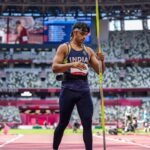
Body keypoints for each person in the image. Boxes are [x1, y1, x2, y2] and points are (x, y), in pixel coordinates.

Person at [52, 22, 105, 150]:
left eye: (86, 35)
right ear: (75, 32)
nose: (84, 38)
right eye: (82, 34)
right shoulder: (65, 48)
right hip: (68, 90)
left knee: (87, 124)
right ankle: (55, 148)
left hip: (84, 91)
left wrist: (102, 60)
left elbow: (100, 71)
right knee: (63, 123)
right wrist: (71, 65)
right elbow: (54, 67)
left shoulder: (88, 51)